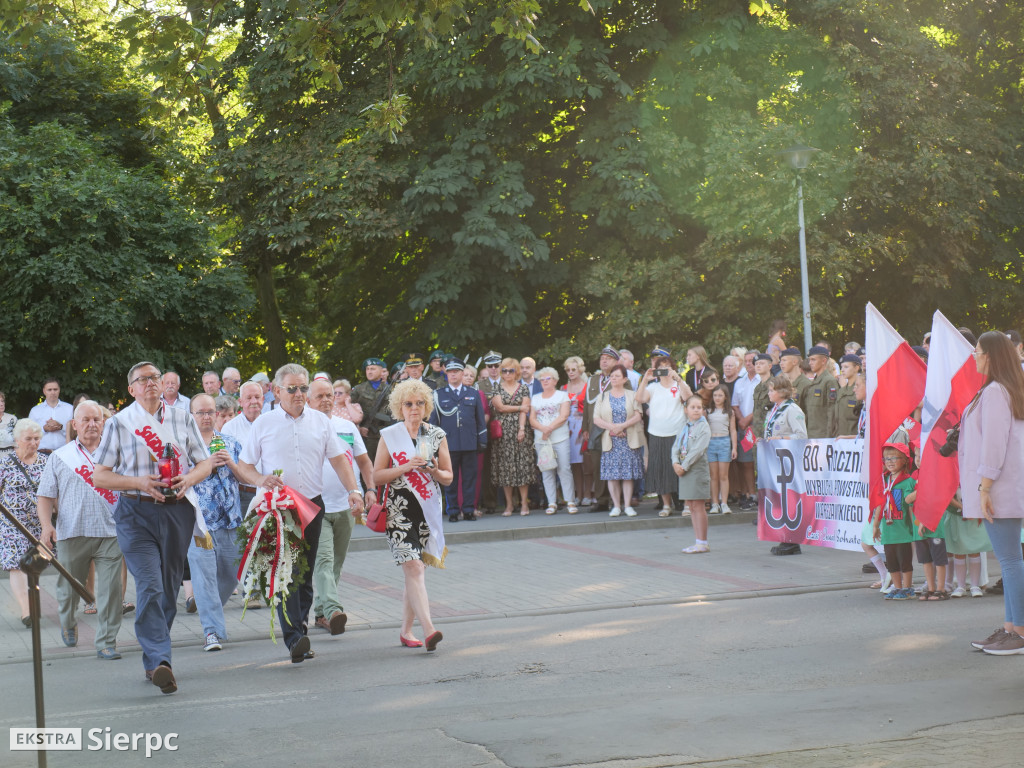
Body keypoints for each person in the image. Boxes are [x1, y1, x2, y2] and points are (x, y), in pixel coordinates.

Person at [92, 361, 214, 694]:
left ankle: (155, 655)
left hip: (177, 512)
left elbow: (205, 462)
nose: (151, 383)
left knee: (169, 588)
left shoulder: (182, 417)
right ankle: (160, 660)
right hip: (136, 513)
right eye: (142, 380)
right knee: (149, 585)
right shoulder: (120, 423)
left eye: (155, 378)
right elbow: (99, 475)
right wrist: (138, 482)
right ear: (131, 389)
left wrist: (189, 478)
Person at [235, 364, 364, 664]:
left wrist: (353, 490)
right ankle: (294, 638)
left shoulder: (320, 422)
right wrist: (259, 480)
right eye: (292, 389)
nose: (298, 394)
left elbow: (339, 460)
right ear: (277, 391)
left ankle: (300, 632)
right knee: (286, 572)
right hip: (279, 507)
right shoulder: (264, 424)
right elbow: (244, 465)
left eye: (303, 388)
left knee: (304, 574)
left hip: (312, 504)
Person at [37, 402, 123, 657]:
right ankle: (68, 622)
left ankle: (106, 642)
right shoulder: (60, 456)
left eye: (96, 419)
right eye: (85, 420)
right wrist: (46, 526)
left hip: (111, 533)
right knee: (69, 590)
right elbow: (44, 496)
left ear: (103, 423)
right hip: (72, 533)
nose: (91, 424)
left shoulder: (116, 455)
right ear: (74, 425)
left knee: (111, 592)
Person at [374, 379, 453, 651]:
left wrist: (433, 470)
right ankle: (429, 629)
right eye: (408, 404)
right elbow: (377, 475)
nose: (414, 409)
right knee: (414, 567)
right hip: (398, 512)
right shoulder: (390, 435)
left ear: (427, 406)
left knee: (415, 572)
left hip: (427, 512)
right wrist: (405, 466)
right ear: (399, 406)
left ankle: (406, 630)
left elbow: (448, 477)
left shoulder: (436, 435)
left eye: (420, 403)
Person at [960, 331, 1024, 654]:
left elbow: (994, 444)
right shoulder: (1003, 389)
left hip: (999, 489)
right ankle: (1013, 628)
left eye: (978, 351)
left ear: (992, 356)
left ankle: (1020, 632)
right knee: (1010, 559)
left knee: (1011, 561)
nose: (975, 356)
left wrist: (984, 486)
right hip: (1004, 487)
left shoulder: (996, 391)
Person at [306, 379, 375, 637]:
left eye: (329, 395)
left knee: (336, 563)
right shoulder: (305, 428)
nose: (326, 400)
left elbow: (365, 462)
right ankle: (334, 610)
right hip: (316, 507)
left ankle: (322, 614)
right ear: (309, 400)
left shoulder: (346, 427)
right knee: (323, 560)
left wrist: (369, 489)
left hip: (346, 505)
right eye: (320, 396)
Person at [185, 394, 245, 653]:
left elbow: (246, 477)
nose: (207, 416)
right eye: (201, 412)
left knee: (232, 574)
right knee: (205, 576)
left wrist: (230, 463)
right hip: (200, 525)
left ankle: (210, 608)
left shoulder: (230, 443)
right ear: (192, 415)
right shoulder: (184, 446)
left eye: (211, 411)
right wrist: (206, 464)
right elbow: (180, 479)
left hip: (231, 522)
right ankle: (212, 631)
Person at [0, 419, 48, 627]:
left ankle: (32, 603)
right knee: (16, 566)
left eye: (36, 439)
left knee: (33, 566)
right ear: (17, 441)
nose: (33, 443)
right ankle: (27, 611)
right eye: (28, 439)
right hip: (12, 523)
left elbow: (52, 494)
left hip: (37, 524)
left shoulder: (45, 462)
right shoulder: (5, 463)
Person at [429, 358, 487, 522]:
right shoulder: (439, 395)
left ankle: (468, 509)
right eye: (450, 372)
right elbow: (434, 421)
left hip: (470, 443)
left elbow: (480, 420)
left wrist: (482, 439)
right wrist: (434, 443)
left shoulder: (473, 393)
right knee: (450, 480)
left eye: (456, 371)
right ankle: (453, 510)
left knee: (470, 478)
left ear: (462, 373)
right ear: (446, 374)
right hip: (448, 444)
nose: (453, 374)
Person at [635, 348, 690, 517]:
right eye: (661, 367)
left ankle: (687, 504)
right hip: (657, 433)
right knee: (661, 470)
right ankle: (666, 505)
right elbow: (639, 399)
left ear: (673, 368)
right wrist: (645, 379)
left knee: (681, 469)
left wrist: (678, 379)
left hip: (677, 432)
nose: (664, 370)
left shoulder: (678, 384)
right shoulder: (653, 387)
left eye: (667, 366)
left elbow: (689, 397)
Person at [581, 346, 632, 511]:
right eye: (602, 358)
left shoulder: (623, 380)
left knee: (618, 464)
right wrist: (585, 428)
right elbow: (588, 406)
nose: (604, 360)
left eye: (608, 358)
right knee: (598, 464)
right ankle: (602, 500)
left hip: (616, 429)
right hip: (596, 428)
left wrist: (623, 427)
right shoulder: (592, 380)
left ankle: (622, 500)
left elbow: (629, 406)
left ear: (617, 362)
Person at [592, 364, 645, 517]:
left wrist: (622, 426)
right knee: (612, 475)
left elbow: (637, 415)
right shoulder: (602, 396)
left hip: (629, 439)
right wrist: (613, 428)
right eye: (611, 376)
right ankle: (615, 505)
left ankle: (627, 505)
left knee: (628, 475)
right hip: (611, 440)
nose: (613, 379)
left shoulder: (632, 394)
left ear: (625, 379)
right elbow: (596, 418)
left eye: (617, 376)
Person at [763, 375, 807, 556]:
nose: (769, 393)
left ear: (782, 391)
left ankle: (792, 540)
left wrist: (780, 438)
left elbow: (802, 436)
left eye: (772, 390)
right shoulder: (774, 409)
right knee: (779, 499)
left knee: (789, 499)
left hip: (789, 461)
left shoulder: (792, 409)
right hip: (776, 460)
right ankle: (784, 537)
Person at [871, 441, 919, 600]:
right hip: (888, 530)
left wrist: (916, 526)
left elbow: (912, 506)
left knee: (904, 560)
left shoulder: (908, 481)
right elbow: (879, 504)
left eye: (894, 458)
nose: (889, 462)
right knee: (891, 561)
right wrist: (876, 525)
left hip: (903, 530)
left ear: (905, 460)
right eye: (886, 459)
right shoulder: (884, 481)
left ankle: (907, 588)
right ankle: (897, 588)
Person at [490, 358, 536, 516]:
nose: (507, 373)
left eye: (510, 370)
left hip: (520, 431)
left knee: (522, 467)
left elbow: (526, 410)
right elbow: (500, 407)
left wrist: (522, 428)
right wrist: (519, 407)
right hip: (503, 434)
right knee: (506, 469)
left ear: (516, 372)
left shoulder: (523, 388)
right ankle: (509, 505)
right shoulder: (496, 387)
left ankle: (524, 503)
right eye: (504, 370)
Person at [529, 367, 576, 515]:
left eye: (547, 379)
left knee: (564, 469)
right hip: (542, 440)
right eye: (542, 379)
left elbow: (563, 416)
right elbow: (532, 419)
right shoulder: (535, 398)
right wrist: (543, 430)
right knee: (547, 470)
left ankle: (570, 501)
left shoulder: (562, 396)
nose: (544, 382)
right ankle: (551, 503)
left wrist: (548, 428)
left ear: (555, 380)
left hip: (560, 438)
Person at [673, 396, 711, 553]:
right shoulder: (685, 425)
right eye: (693, 407)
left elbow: (698, 450)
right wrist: (675, 462)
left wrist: (684, 466)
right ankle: (697, 541)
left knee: (698, 505)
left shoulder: (703, 427)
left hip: (695, 469)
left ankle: (702, 542)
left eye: (699, 407)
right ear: (686, 409)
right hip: (684, 468)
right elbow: (676, 445)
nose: (696, 410)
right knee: (691, 506)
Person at [349, 358, 394, 464]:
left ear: (381, 370)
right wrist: (359, 427)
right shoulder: (359, 390)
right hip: (366, 436)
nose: (369, 371)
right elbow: (349, 410)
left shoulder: (390, 389)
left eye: (372, 369)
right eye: (367, 369)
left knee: (385, 465)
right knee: (367, 465)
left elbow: (394, 413)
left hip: (385, 435)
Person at [562, 356, 591, 506]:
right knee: (574, 463)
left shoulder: (587, 386)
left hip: (583, 426)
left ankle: (588, 493)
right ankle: (578, 494)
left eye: (573, 369)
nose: (571, 372)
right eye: (568, 370)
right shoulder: (563, 389)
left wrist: (588, 428)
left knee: (586, 461)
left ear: (580, 369)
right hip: (568, 428)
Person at [706, 386, 737, 514]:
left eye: (720, 395)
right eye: (715, 395)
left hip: (724, 442)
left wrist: (734, 447)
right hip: (711, 443)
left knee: (723, 476)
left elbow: (733, 430)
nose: (717, 398)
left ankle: (724, 503)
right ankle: (715, 503)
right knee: (713, 476)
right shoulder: (708, 411)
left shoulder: (729, 412)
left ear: (725, 397)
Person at [28, 378, 73, 454]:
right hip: (42, 453)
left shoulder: (69, 409)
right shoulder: (35, 411)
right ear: (44, 391)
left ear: (59, 390)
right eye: (49, 390)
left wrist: (61, 427)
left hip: (64, 452)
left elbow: (75, 433)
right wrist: (44, 429)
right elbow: (29, 433)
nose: (53, 392)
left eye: (55, 389)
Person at [804, 345, 838, 438]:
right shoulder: (814, 382)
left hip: (823, 436)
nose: (810, 363)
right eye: (810, 360)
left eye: (813, 360)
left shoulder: (829, 381)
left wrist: (829, 437)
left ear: (823, 361)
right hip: (811, 435)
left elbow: (832, 412)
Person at [834, 354, 863, 437]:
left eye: (846, 367)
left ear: (856, 368)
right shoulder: (841, 391)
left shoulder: (861, 390)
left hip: (854, 439)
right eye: (841, 367)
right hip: (839, 439)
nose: (842, 370)